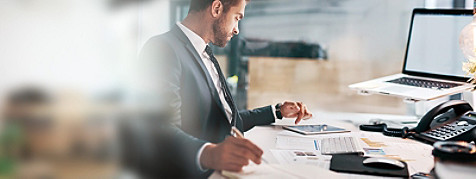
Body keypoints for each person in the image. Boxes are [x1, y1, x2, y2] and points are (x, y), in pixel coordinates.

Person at [135, 0, 312, 177]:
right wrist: (210, 154)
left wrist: (276, 112)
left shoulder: (205, 53)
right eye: (237, 18)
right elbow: (158, 129)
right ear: (216, 8)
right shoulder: (162, 48)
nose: (237, 29)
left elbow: (227, 118)